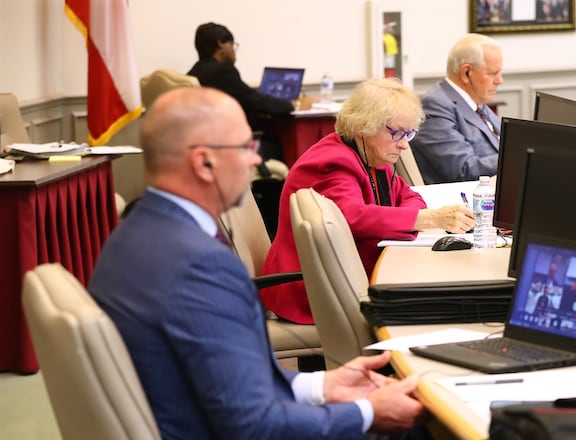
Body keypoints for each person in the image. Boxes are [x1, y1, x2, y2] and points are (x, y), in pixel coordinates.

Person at [88, 87, 426, 439]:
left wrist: (322, 385)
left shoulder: (136, 235)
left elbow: (228, 378)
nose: (255, 161)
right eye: (246, 148)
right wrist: (367, 412)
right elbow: (252, 424)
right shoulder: (200, 267)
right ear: (204, 162)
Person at [262, 78, 475, 325]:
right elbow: (352, 217)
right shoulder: (334, 163)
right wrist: (429, 218)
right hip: (314, 289)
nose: (405, 145)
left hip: (342, 275)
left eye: (409, 134)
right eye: (397, 133)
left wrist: (408, 220)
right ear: (363, 126)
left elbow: (409, 196)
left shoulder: (371, 156)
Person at [187, 22, 294, 161]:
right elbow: (255, 101)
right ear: (221, 44)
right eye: (232, 45)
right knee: (280, 146)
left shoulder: (194, 72)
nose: (233, 51)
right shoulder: (223, 71)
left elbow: (243, 98)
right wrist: (292, 104)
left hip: (209, 144)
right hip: (232, 147)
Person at [410, 33, 504, 184]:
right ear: (466, 72)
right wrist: (514, 157)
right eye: (493, 73)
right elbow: (464, 169)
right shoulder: (435, 105)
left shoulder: (476, 100)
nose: (500, 80)